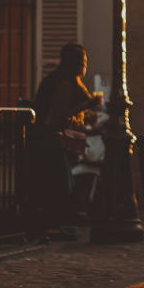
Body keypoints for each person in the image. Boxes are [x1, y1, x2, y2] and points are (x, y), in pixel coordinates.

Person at [30, 43, 103, 241]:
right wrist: (88, 105)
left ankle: (56, 226)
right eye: (83, 61)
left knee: (61, 183)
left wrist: (84, 117)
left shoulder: (62, 81)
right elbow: (59, 114)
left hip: (52, 139)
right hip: (53, 141)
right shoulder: (65, 83)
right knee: (60, 185)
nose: (85, 65)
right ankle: (53, 228)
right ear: (75, 63)